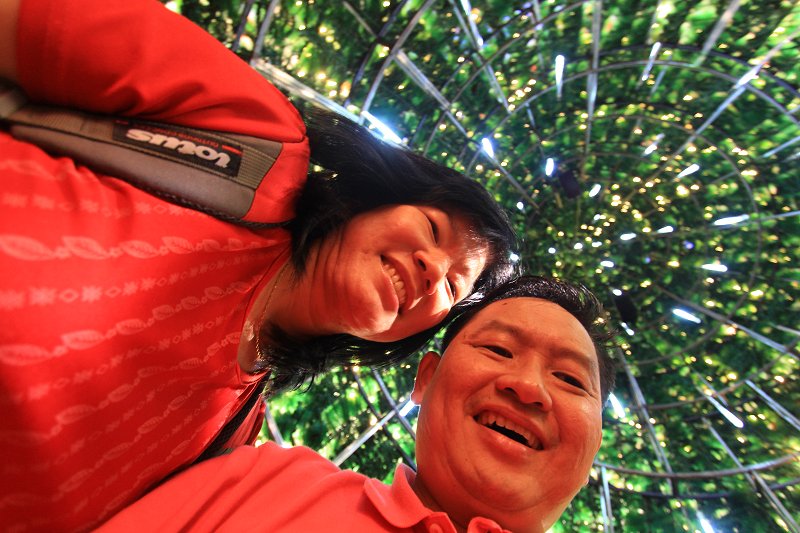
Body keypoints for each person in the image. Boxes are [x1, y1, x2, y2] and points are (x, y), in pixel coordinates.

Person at [0, 0, 516, 530]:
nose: (433, 271)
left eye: (452, 287)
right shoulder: (253, 138)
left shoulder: (229, 447)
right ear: (378, 198)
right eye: (434, 230)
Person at [98, 275, 617, 533]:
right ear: (426, 379)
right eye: (498, 349)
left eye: (570, 379)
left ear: (595, 442)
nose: (528, 387)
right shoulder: (265, 482)